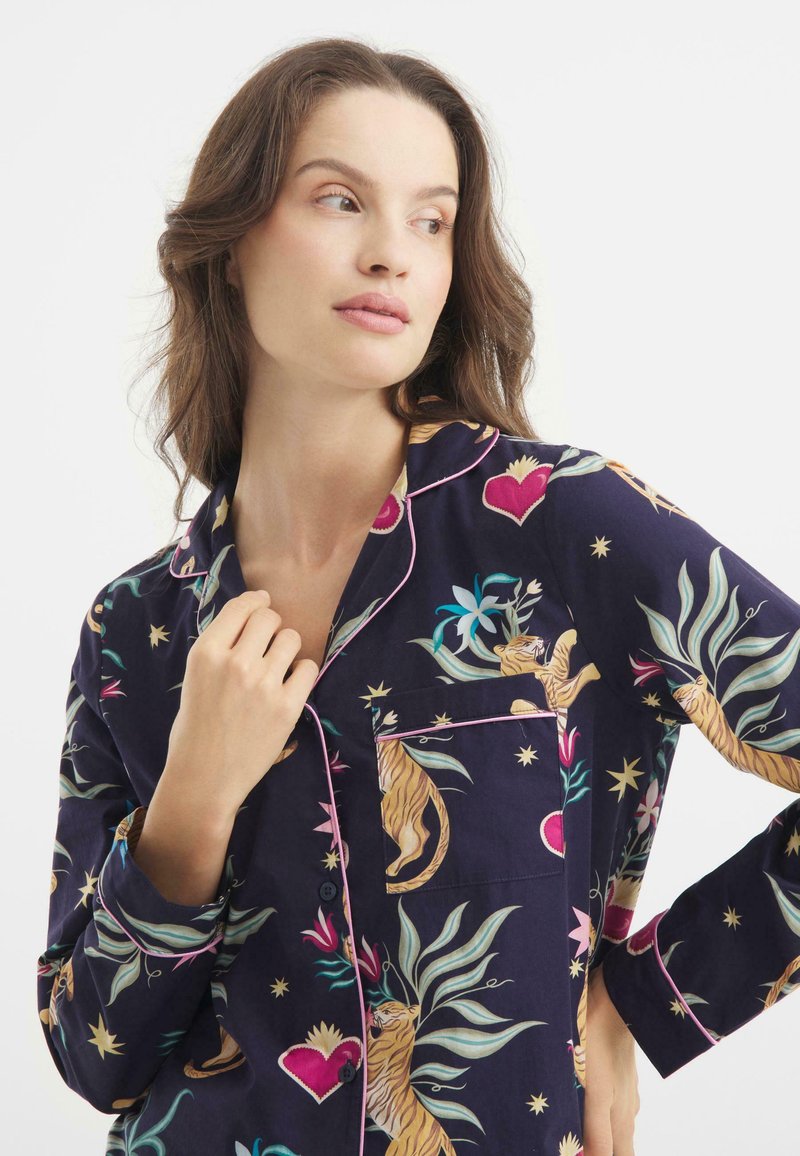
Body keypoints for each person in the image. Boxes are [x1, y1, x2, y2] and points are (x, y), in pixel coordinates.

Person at [36, 36, 800, 1156]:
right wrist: (190, 805)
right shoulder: (137, 624)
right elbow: (92, 1057)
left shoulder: (558, 525)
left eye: (431, 220)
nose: (391, 252)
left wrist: (646, 998)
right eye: (339, 199)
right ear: (232, 243)